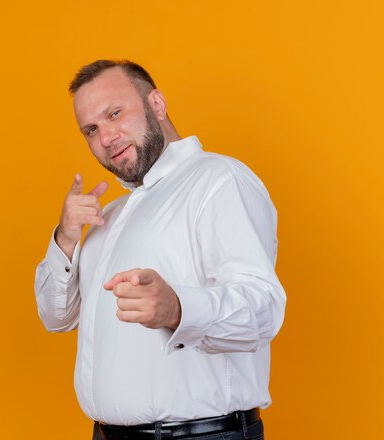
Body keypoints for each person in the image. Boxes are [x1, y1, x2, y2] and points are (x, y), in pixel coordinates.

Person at [34, 59, 286, 440]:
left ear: (157, 104)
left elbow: (263, 308)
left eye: (115, 113)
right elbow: (56, 317)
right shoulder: (111, 216)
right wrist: (66, 238)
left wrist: (177, 308)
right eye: (91, 129)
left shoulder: (219, 181)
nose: (106, 137)